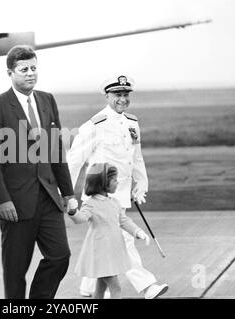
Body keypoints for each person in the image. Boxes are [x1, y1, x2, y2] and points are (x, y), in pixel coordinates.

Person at [0, 45, 74, 299]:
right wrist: (1, 200)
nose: (30, 74)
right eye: (24, 70)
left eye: (34, 68)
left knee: (60, 256)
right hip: (15, 202)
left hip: (48, 197)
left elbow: (56, 150)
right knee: (15, 270)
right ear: (10, 73)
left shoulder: (47, 99)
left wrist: (68, 192)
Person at [67, 74, 169, 299]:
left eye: (125, 95)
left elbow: (136, 157)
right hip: (98, 196)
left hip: (120, 194)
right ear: (107, 96)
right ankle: (147, 286)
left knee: (101, 241)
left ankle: (87, 287)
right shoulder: (94, 125)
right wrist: (66, 195)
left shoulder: (132, 122)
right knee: (123, 241)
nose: (122, 99)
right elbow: (74, 160)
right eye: (117, 95)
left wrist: (141, 184)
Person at [68, 163, 150, 299]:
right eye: (114, 180)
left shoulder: (114, 202)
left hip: (111, 251)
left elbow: (123, 221)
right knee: (116, 288)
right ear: (103, 183)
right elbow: (80, 218)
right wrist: (73, 211)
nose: (117, 182)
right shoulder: (91, 203)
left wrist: (137, 232)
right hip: (100, 252)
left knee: (100, 287)